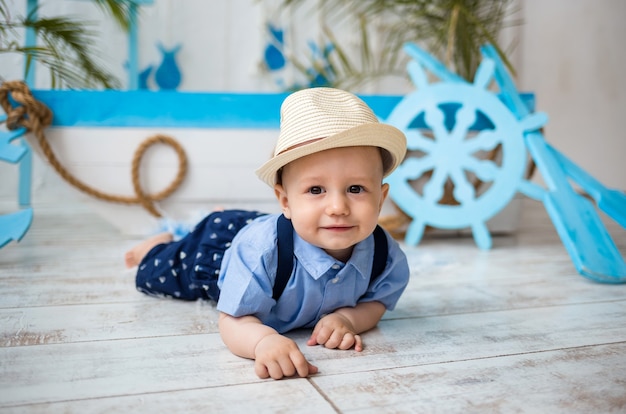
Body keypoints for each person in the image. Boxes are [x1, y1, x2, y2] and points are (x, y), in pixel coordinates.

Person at [125, 87, 410, 380]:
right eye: (316, 190)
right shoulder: (258, 251)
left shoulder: (384, 255)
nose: (338, 207)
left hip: (279, 230)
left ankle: (215, 215)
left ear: (381, 197)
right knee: (161, 270)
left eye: (355, 189)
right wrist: (262, 340)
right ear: (285, 201)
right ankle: (156, 245)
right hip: (220, 247)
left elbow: (376, 303)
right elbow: (233, 321)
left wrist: (346, 318)